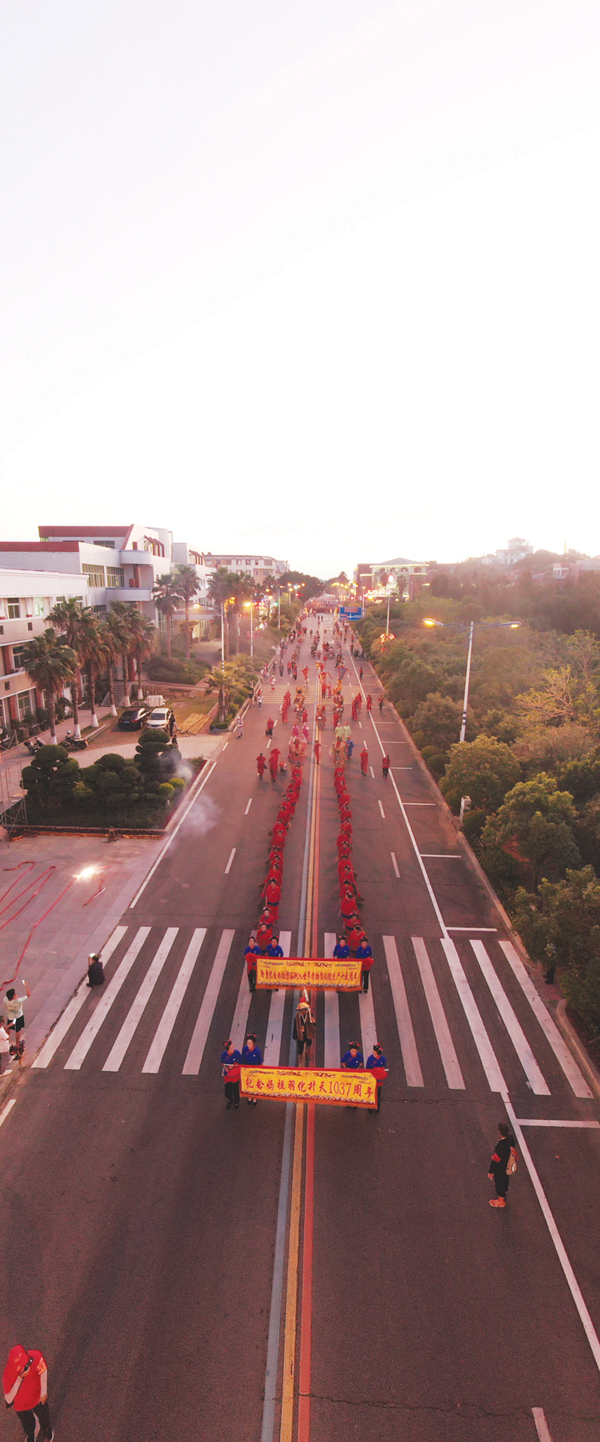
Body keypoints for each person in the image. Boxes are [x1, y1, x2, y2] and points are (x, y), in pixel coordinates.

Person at [3, 1345, 54, 1442]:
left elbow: (43, 1371)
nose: (26, 1367)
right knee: (28, 1425)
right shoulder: (7, 1375)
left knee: (44, 1417)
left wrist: (43, 1393)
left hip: (37, 1398)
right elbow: (9, 1399)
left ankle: (46, 1430)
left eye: (26, 1364)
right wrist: (19, 1379)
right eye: (21, 1367)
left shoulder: (36, 1356)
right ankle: (31, 1435)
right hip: (22, 1407)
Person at [488, 1122, 517, 1208]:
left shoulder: (501, 1145)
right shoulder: (510, 1139)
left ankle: (501, 1201)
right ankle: (505, 1190)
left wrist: (491, 1171)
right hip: (507, 1164)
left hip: (500, 1167)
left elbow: (495, 1159)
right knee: (505, 1179)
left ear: (500, 1132)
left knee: (499, 1182)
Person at [3, 982, 31, 1052]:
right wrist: (26, 986)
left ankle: (6, 1039)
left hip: (10, 1016)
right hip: (18, 1016)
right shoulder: (18, 1001)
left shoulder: (5, 1000)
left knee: (9, 1028)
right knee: (18, 1029)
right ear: (13, 996)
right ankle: (17, 1043)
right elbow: (28, 995)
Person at [293, 992, 316, 1061]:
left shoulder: (309, 1015)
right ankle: (300, 1055)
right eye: (301, 1010)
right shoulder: (297, 1017)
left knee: (309, 1043)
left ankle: (308, 1051)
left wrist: (313, 1021)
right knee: (300, 1046)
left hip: (308, 1033)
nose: (303, 1011)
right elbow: (295, 1027)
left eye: (304, 1010)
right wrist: (295, 1036)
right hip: (300, 1034)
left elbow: (314, 1024)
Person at [242, 1033, 263, 1104]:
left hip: (255, 1071)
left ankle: (255, 1097)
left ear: (253, 1043)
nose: (249, 1045)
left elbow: (260, 1062)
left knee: (254, 1084)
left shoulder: (257, 1051)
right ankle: (249, 1096)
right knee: (248, 1083)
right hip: (247, 1070)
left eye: (250, 1043)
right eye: (248, 1043)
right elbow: (243, 1059)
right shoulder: (245, 1049)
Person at [366, 1045, 388, 1111]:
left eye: (375, 1053)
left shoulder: (383, 1059)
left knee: (378, 1094)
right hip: (372, 1080)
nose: (373, 1054)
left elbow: (385, 1068)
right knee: (370, 1093)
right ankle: (370, 1107)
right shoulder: (370, 1058)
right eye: (373, 1052)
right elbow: (367, 1069)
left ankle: (377, 1106)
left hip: (379, 1080)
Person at [221, 1040, 242, 1109]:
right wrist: (226, 1067)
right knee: (228, 1091)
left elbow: (241, 1062)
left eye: (233, 1047)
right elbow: (222, 1062)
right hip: (227, 1076)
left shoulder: (237, 1053)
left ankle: (236, 1102)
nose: (233, 1049)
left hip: (235, 1076)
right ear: (228, 1050)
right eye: (231, 1048)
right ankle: (229, 1101)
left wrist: (234, 1065)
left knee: (235, 1090)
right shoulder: (224, 1055)